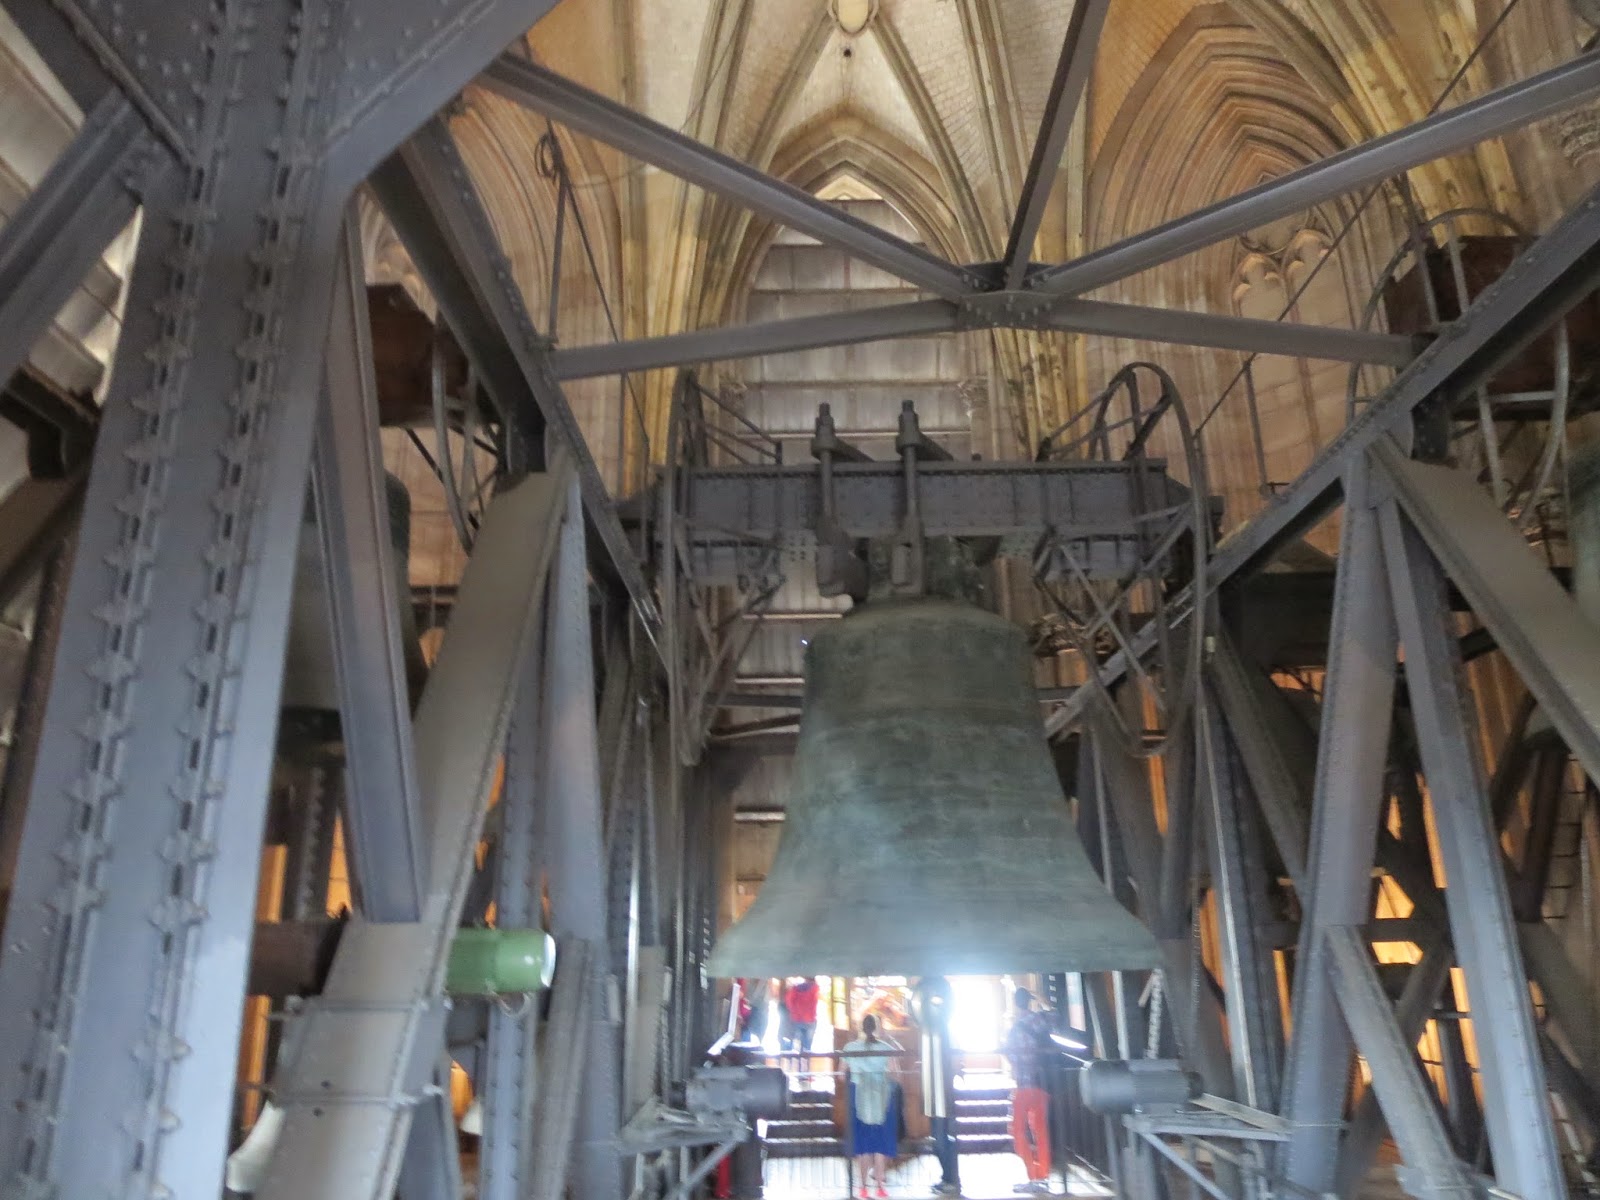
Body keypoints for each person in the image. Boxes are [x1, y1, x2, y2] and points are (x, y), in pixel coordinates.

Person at [844, 1014, 901, 1200]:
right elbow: (896, 1074)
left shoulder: (850, 1048)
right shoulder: (886, 1048)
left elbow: (841, 1074)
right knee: (880, 1143)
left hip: (857, 1096)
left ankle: (862, 1187)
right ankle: (880, 1187)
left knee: (862, 1144)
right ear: (877, 1027)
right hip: (880, 1096)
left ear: (861, 1027)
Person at [1005, 988, 1054, 1195]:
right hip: (1042, 1083)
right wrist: (1040, 998)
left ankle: (1033, 1175)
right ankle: (1042, 1176)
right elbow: (1055, 1014)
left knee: (1017, 1130)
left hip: (1024, 1085)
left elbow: (1012, 1057)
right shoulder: (1039, 1020)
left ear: (1016, 1003)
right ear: (1029, 1001)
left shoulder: (1014, 1029)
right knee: (1040, 1131)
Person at [915, 977, 961, 1197]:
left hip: (940, 1095)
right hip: (937, 1094)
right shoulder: (936, 1033)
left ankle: (950, 1178)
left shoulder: (938, 1033)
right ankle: (949, 1178)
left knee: (941, 1137)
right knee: (940, 1136)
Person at [784, 976, 820, 1053]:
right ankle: (806, 1058)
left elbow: (789, 1002)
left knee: (796, 1044)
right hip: (810, 1019)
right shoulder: (815, 989)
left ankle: (797, 1057)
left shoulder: (795, 989)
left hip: (797, 1019)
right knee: (807, 1045)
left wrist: (793, 1012)